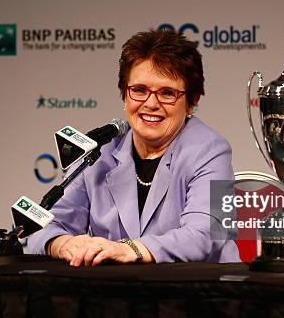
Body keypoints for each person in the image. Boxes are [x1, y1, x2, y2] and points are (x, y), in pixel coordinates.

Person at [28, 29, 239, 266]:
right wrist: (64, 244)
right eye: (139, 90)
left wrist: (131, 249)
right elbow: (41, 228)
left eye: (167, 93)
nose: (150, 103)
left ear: (192, 102)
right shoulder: (99, 150)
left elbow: (208, 233)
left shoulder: (214, 151)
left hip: (198, 295)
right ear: (124, 95)